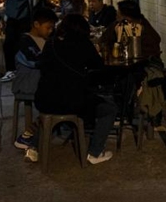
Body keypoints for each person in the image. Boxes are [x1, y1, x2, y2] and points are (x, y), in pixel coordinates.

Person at [33, 14, 117, 165]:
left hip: (44, 100)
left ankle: (34, 147)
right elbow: (98, 68)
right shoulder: (83, 44)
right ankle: (94, 152)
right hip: (72, 102)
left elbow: (42, 64)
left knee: (52, 111)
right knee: (109, 109)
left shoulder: (51, 43)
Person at [11, 7, 58, 153]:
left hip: (39, 79)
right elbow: (37, 62)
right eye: (48, 27)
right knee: (60, 96)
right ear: (36, 24)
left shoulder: (47, 40)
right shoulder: (24, 42)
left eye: (52, 28)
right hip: (27, 82)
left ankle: (38, 131)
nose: (50, 31)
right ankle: (29, 134)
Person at [2, 0, 42, 83]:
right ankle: (10, 70)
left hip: (24, 19)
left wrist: (33, 21)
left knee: (23, 45)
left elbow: (35, 0)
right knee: (8, 44)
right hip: (12, 17)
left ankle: (24, 70)